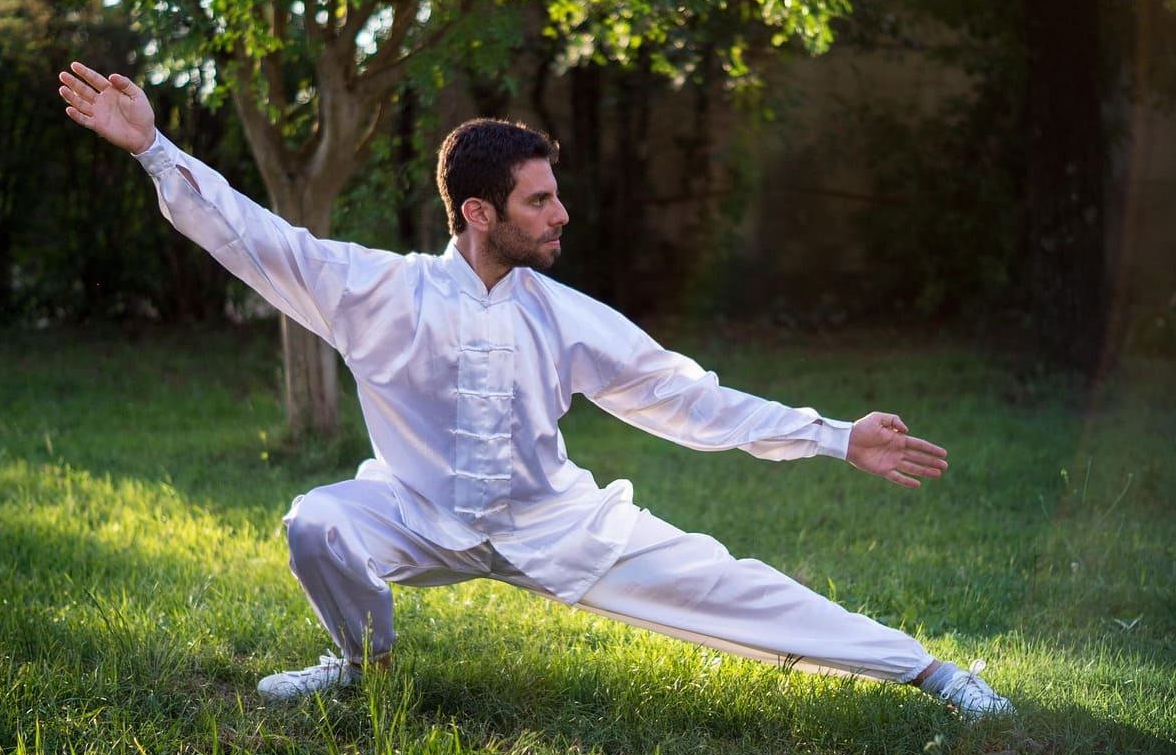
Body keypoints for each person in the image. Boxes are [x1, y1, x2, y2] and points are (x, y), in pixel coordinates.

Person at [58, 61, 1014, 719]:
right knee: (315, 521)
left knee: (738, 591)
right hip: (417, 515)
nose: (562, 214)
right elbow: (250, 234)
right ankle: (360, 669)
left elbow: (690, 400)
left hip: (560, 528)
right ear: (478, 213)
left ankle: (931, 672)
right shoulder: (374, 291)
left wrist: (833, 435)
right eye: (539, 201)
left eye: (555, 196)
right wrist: (153, 150)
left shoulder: (568, 317)